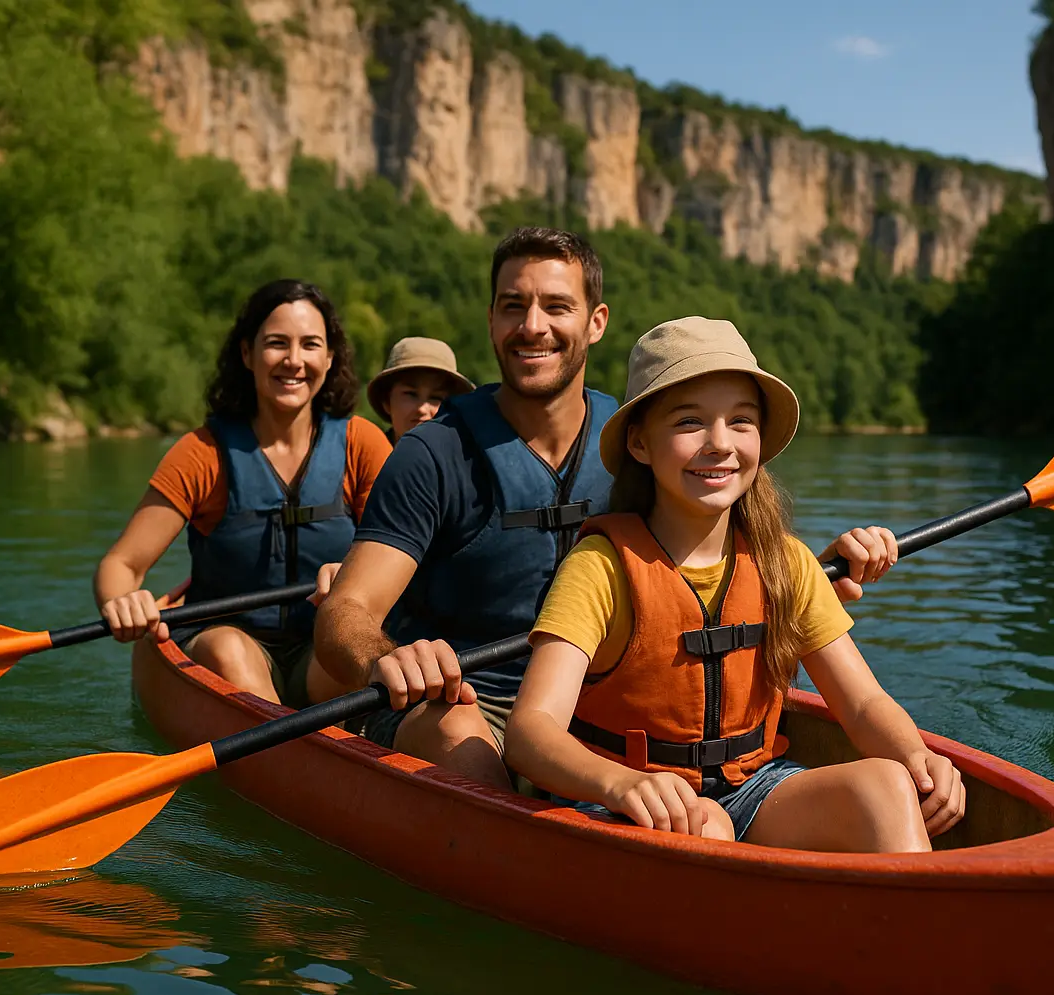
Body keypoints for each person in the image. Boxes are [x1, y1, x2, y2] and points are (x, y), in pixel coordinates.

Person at [314, 227, 900, 791]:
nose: (533, 326)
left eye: (556, 306)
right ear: (492, 320)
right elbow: (346, 612)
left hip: (605, 704)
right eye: (513, 306)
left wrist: (800, 577)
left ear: (596, 322)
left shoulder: (653, 441)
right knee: (459, 728)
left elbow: (709, 545)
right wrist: (389, 658)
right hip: (463, 700)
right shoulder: (431, 454)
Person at [504, 317, 965, 849]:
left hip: (752, 788)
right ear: (640, 443)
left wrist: (917, 758)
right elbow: (530, 731)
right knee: (706, 826)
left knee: (887, 785)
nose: (719, 443)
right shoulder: (599, 567)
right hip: (615, 799)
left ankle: (906, 926)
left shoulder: (784, 563)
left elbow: (862, 705)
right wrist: (622, 783)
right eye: (689, 422)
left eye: (740, 421)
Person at [94, 279, 391, 707]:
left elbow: (405, 558)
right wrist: (122, 601)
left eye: (310, 345)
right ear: (247, 354)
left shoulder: (361, 444)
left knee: (355, 646)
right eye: (276, 343)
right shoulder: (203, 453)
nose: (294, 360)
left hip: (322, 649)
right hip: (225, 645)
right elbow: (121, 563)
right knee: (230, 649)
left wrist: (354, 573)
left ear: (329, 359)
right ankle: (290, 756)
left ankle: (315, 749)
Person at [367, 336, 475, 445]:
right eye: (411, 394)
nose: (422, 409)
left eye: (435, 398)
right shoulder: (367, 458)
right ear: (386, 402)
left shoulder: (467, 460)